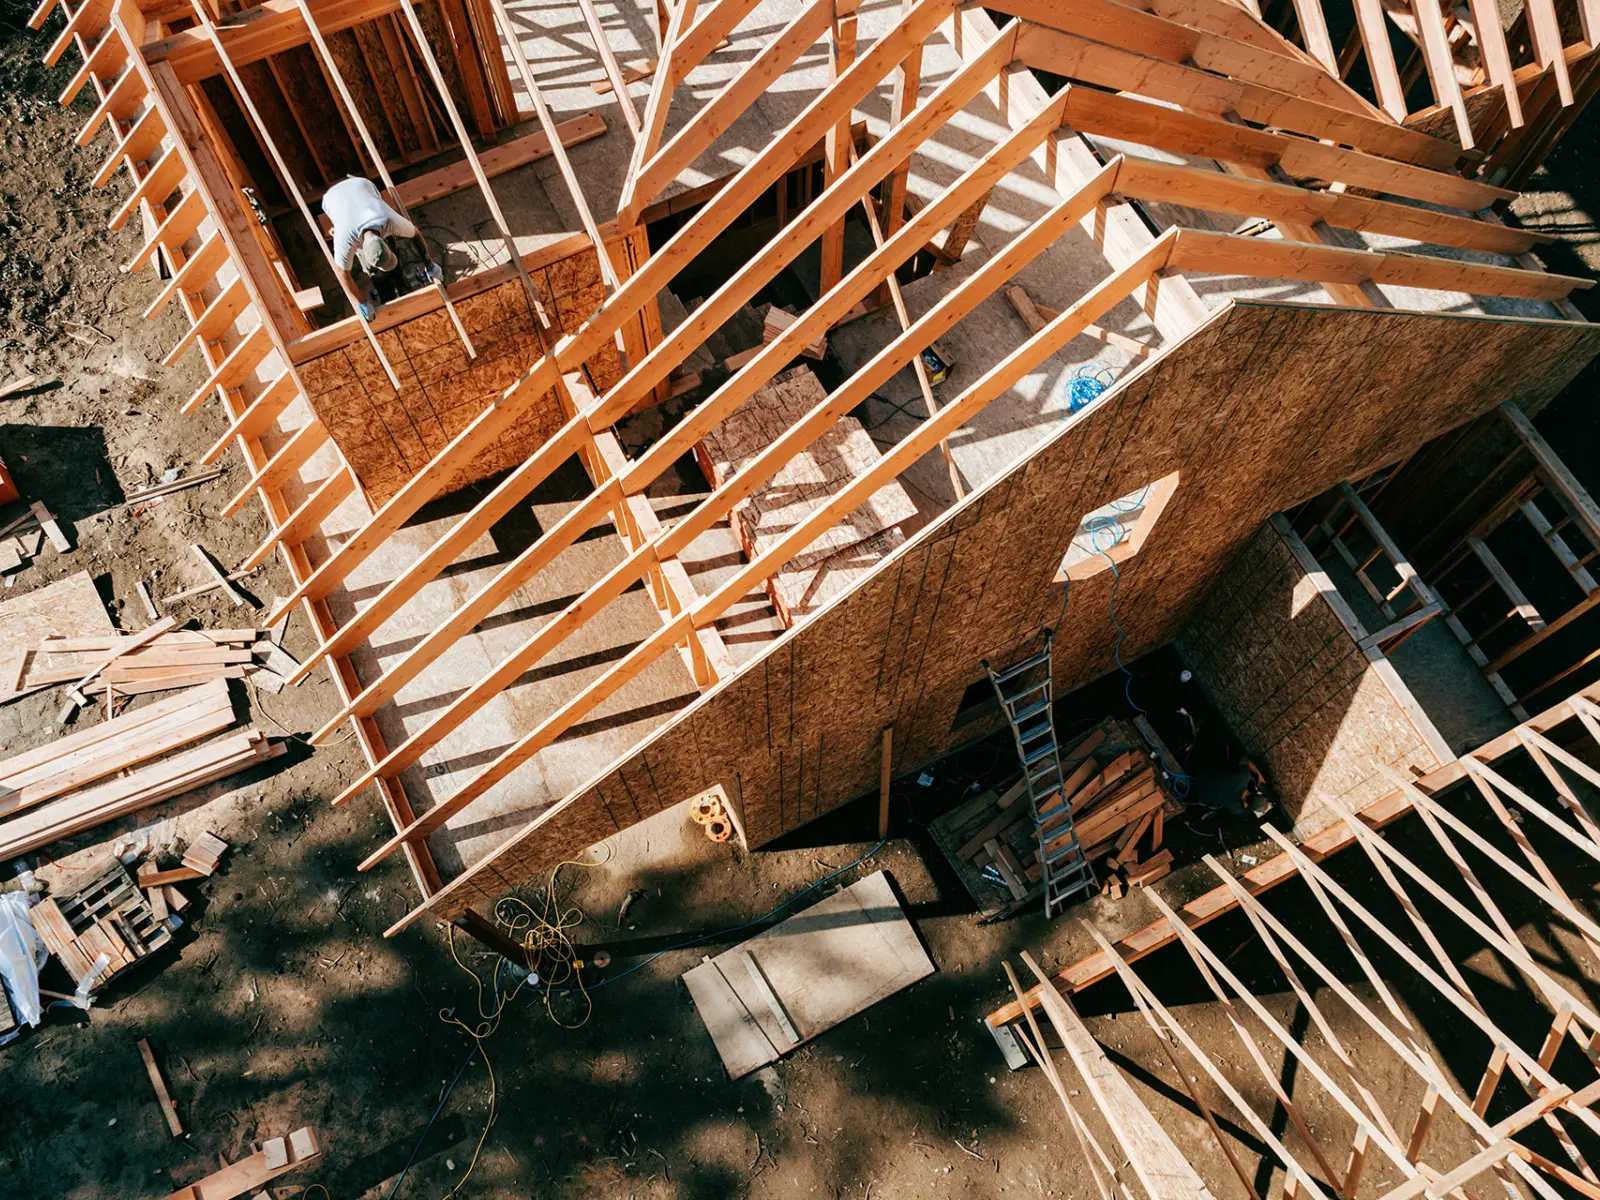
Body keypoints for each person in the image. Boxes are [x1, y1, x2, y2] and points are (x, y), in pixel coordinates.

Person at [323, 176, 441, 321]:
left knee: (395, 267)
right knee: (377, 275)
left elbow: (416, 234)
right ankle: (386, 293)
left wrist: (430, 265)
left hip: (362, 184)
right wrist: (361, 303)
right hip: (332, 199)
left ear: (384, 240)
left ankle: (400, 283)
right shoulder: (346, 239)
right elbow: (342, 273)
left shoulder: (389, 220)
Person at [1188, 756, 1272, 817]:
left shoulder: (1243, 778)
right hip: (1201, 796)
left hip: (1202, 776)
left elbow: (1244, 759)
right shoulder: (1236, 809)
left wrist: (1259, 775)